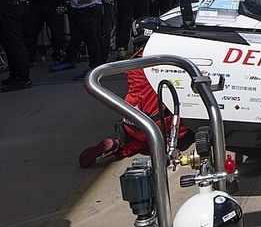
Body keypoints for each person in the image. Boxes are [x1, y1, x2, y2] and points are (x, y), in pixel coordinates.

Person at [78, 18, 192, 167]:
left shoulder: (131, 64)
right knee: (191, 107)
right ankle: (169, 145)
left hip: (133, 123)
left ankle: (119, 146)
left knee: (141, 139)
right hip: (160, 125)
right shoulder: (166, 61)